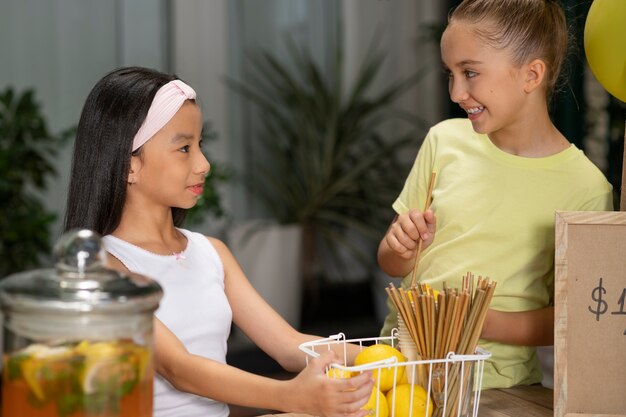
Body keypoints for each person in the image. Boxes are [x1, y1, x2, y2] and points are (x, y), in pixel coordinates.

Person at [64, 66, 373, 417]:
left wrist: (392, 359)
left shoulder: (211, 253)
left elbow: (289, 346)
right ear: (128, 167)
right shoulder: (102, 268)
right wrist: (290, 397)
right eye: (184, 148)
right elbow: (178, 369)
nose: (204, 164)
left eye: (200, 145)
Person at [378, 0, 613, 390]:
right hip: (399, 373)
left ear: (531, 74)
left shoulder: (586, 189)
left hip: (495, 388)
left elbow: (575, 318)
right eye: (450, 74)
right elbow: (391, 264)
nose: (456, 91)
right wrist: (398, 247)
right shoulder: (444, 141)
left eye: (470, 72)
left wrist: (473, 321)